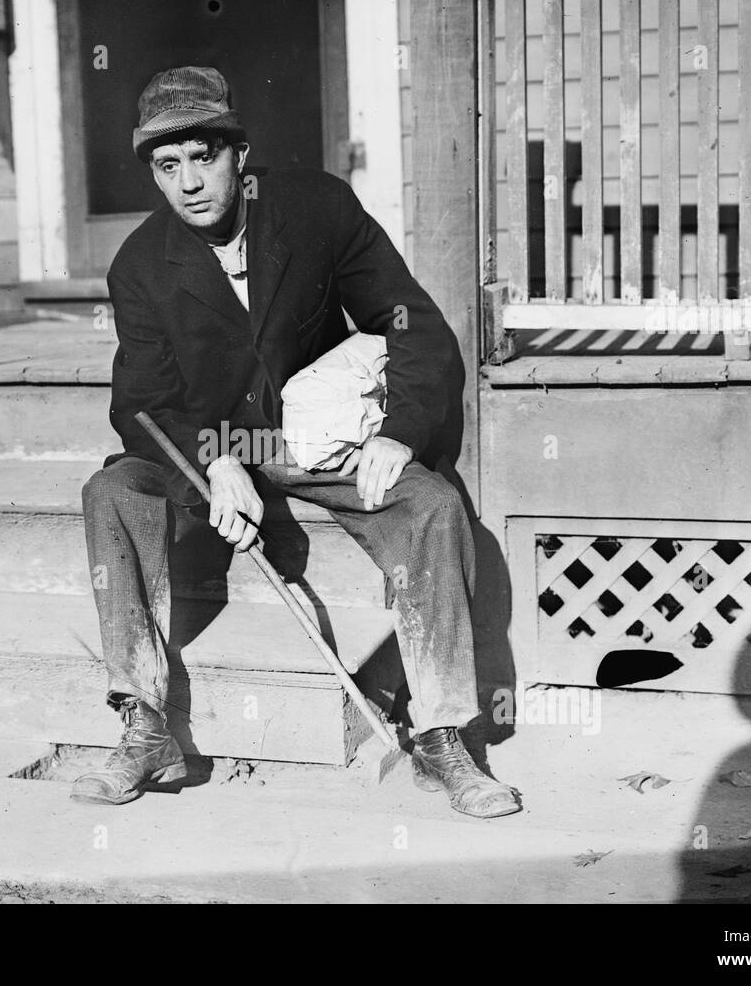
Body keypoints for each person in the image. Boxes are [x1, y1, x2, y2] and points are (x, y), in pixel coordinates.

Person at [73, 65, 520, 818]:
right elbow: (141, 402)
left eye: (203, 156)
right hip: (212, 448)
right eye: (166, 165)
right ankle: (145, 724)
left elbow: (413, 322)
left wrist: (400, 432)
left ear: (239, 153)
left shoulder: (315, 208)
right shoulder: (141, 264)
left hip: (321, 437)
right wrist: (214, 461)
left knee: (433, 504)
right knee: (111, 491)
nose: (188, 183)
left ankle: (444, 734)